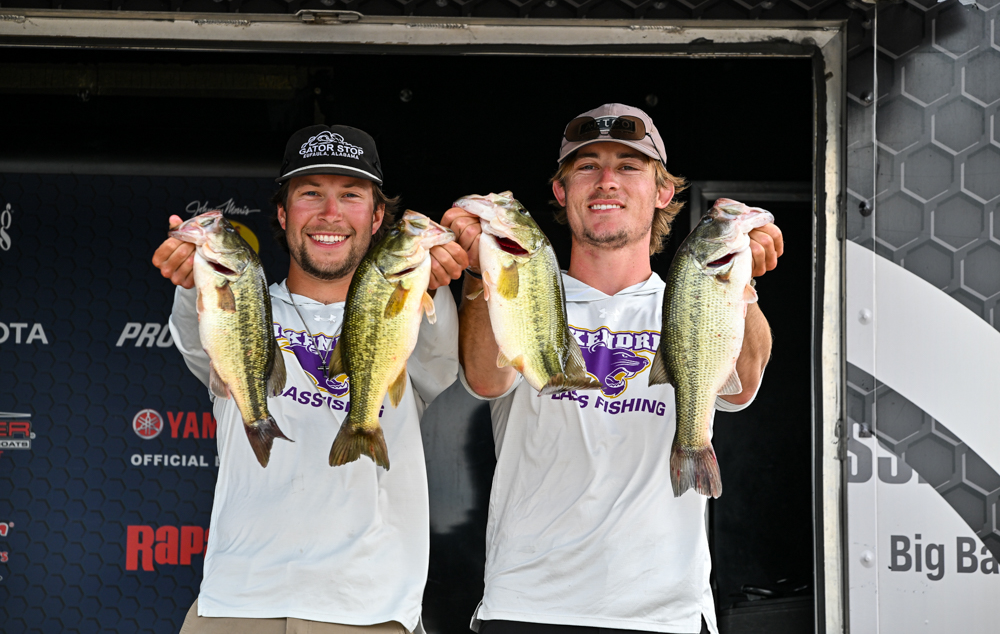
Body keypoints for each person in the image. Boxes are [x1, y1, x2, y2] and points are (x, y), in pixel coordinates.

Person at [441, 104, 783, 634]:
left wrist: (742, 282)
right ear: (561, 192)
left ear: (663, 191)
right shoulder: (525, 289)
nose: (606, 181)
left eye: (628, 166)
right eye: (587, 167)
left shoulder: (690, 297)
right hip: (529, 606)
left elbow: (742, 388)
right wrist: (479, 268)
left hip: (664, 612)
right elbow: (487, 379)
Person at [152, 124, 469, 634]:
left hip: (370, 608)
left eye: (351, 195)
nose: (330, 213)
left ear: (378, 217)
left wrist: (440, 279)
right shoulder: (238, 300)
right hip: (237, 603)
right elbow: (197, 335)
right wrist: (193, 272)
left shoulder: (412, 306)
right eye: (311, 193)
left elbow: (448, 363)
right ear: (282, 213)